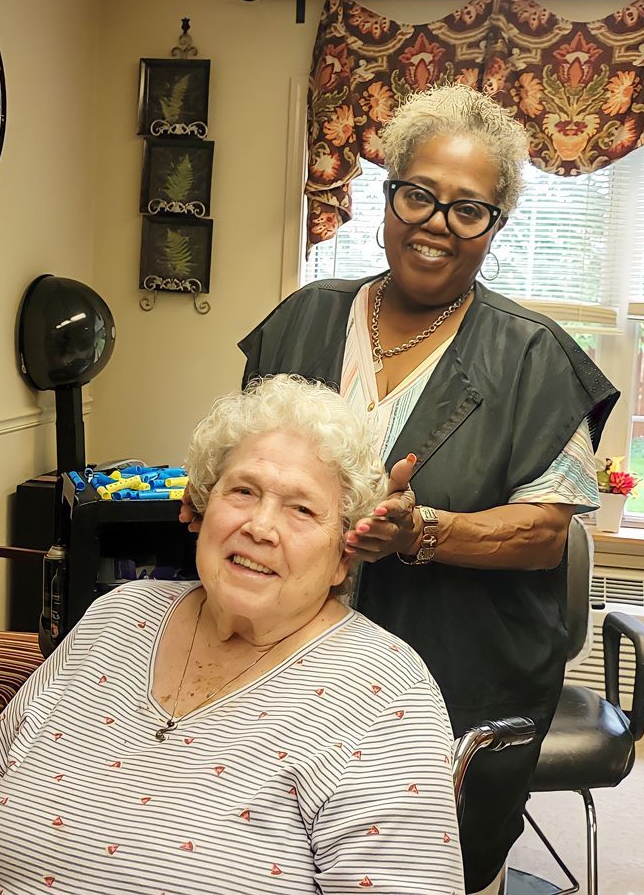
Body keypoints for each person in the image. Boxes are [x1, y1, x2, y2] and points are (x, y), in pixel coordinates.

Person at [234, 84, 619, 893]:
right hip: (280, 659)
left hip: (452, 662)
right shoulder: (304, 319)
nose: (437, 223)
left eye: (468, 209)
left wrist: (423, 532)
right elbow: (245, 461)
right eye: (419, 195)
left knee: (416, 863)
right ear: (388, 194)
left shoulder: (535, 358)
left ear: (495, 227)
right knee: (268, 851)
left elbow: (545, 533)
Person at [0, 375, 465, 894]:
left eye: (301, 509)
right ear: (200, 506)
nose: (260, 527)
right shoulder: (119, 615)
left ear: (345, 551)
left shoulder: (384, 694)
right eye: (242, 491)